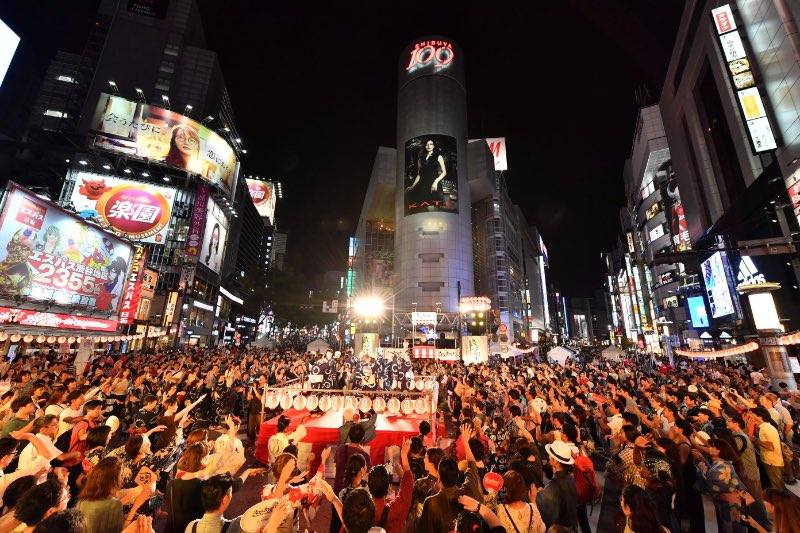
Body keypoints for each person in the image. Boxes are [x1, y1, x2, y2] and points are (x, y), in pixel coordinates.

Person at [417, 424, 482, 533]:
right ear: (457, 476)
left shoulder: (431, 502)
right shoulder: (468, 492)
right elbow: (472, 464)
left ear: (439, 477)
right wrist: (465, 442)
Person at [77, 456, 151, 533]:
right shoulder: (114, 505)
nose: (122, 480)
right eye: (121, 475)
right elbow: (122, 531)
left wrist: (120, 503)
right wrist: (135, 506)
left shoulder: (82, 501)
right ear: (112, 480)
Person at [367, 440, 413, 533]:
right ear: (389, 488)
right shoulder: (397, 508)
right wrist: (404, 455)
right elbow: (408, 485)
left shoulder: (359, 509)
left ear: (368, 486)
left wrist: (390, 458)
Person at [536, 439, 578, 531]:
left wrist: (534, 497)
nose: (548, 457)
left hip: (560, 529)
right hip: (572, 526)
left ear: (556, 461)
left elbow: (545, 511)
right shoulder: (570, 478)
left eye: (550, 455)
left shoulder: (554, 483)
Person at [750, 407, 785, 490]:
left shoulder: (765, 429)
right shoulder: (764, 427)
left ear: (760, 417)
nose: (751, 416)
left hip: (772, 462)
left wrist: (755, 440)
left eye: (753, 414)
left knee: (777, 487)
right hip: (770, 461)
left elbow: (770, 447)